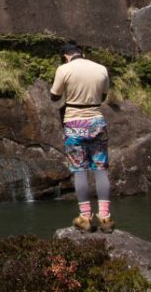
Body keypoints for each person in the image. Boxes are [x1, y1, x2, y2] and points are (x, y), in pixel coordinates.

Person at [50, 43, 114, 233]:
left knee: (80, 170)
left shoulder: (64, 69)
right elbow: (103, 95)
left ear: (66, 56)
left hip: (74, 123)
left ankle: (85, 218)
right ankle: (105, 217)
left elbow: (54, 96)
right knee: (100, 169)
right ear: (83, 54)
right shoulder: (101, 69)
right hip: (96, 121)